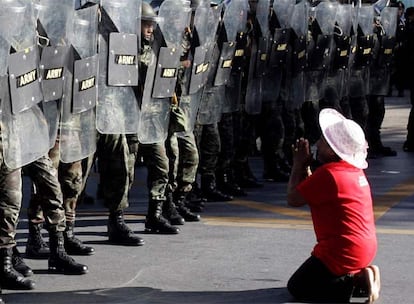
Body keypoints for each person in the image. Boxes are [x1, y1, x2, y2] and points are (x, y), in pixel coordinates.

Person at [286, 108, 380, 303]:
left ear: (331, 148)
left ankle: (354, 282)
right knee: (318, 278)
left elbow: (294, 199)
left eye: (322, 140)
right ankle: (360, 276)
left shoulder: (329, 174)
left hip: (342, 252)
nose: (317, 144)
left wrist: (297, 164)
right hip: (365, 248)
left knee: (298, 286)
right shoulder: (352, 171)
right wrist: (306, 167)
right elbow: (314, 191)